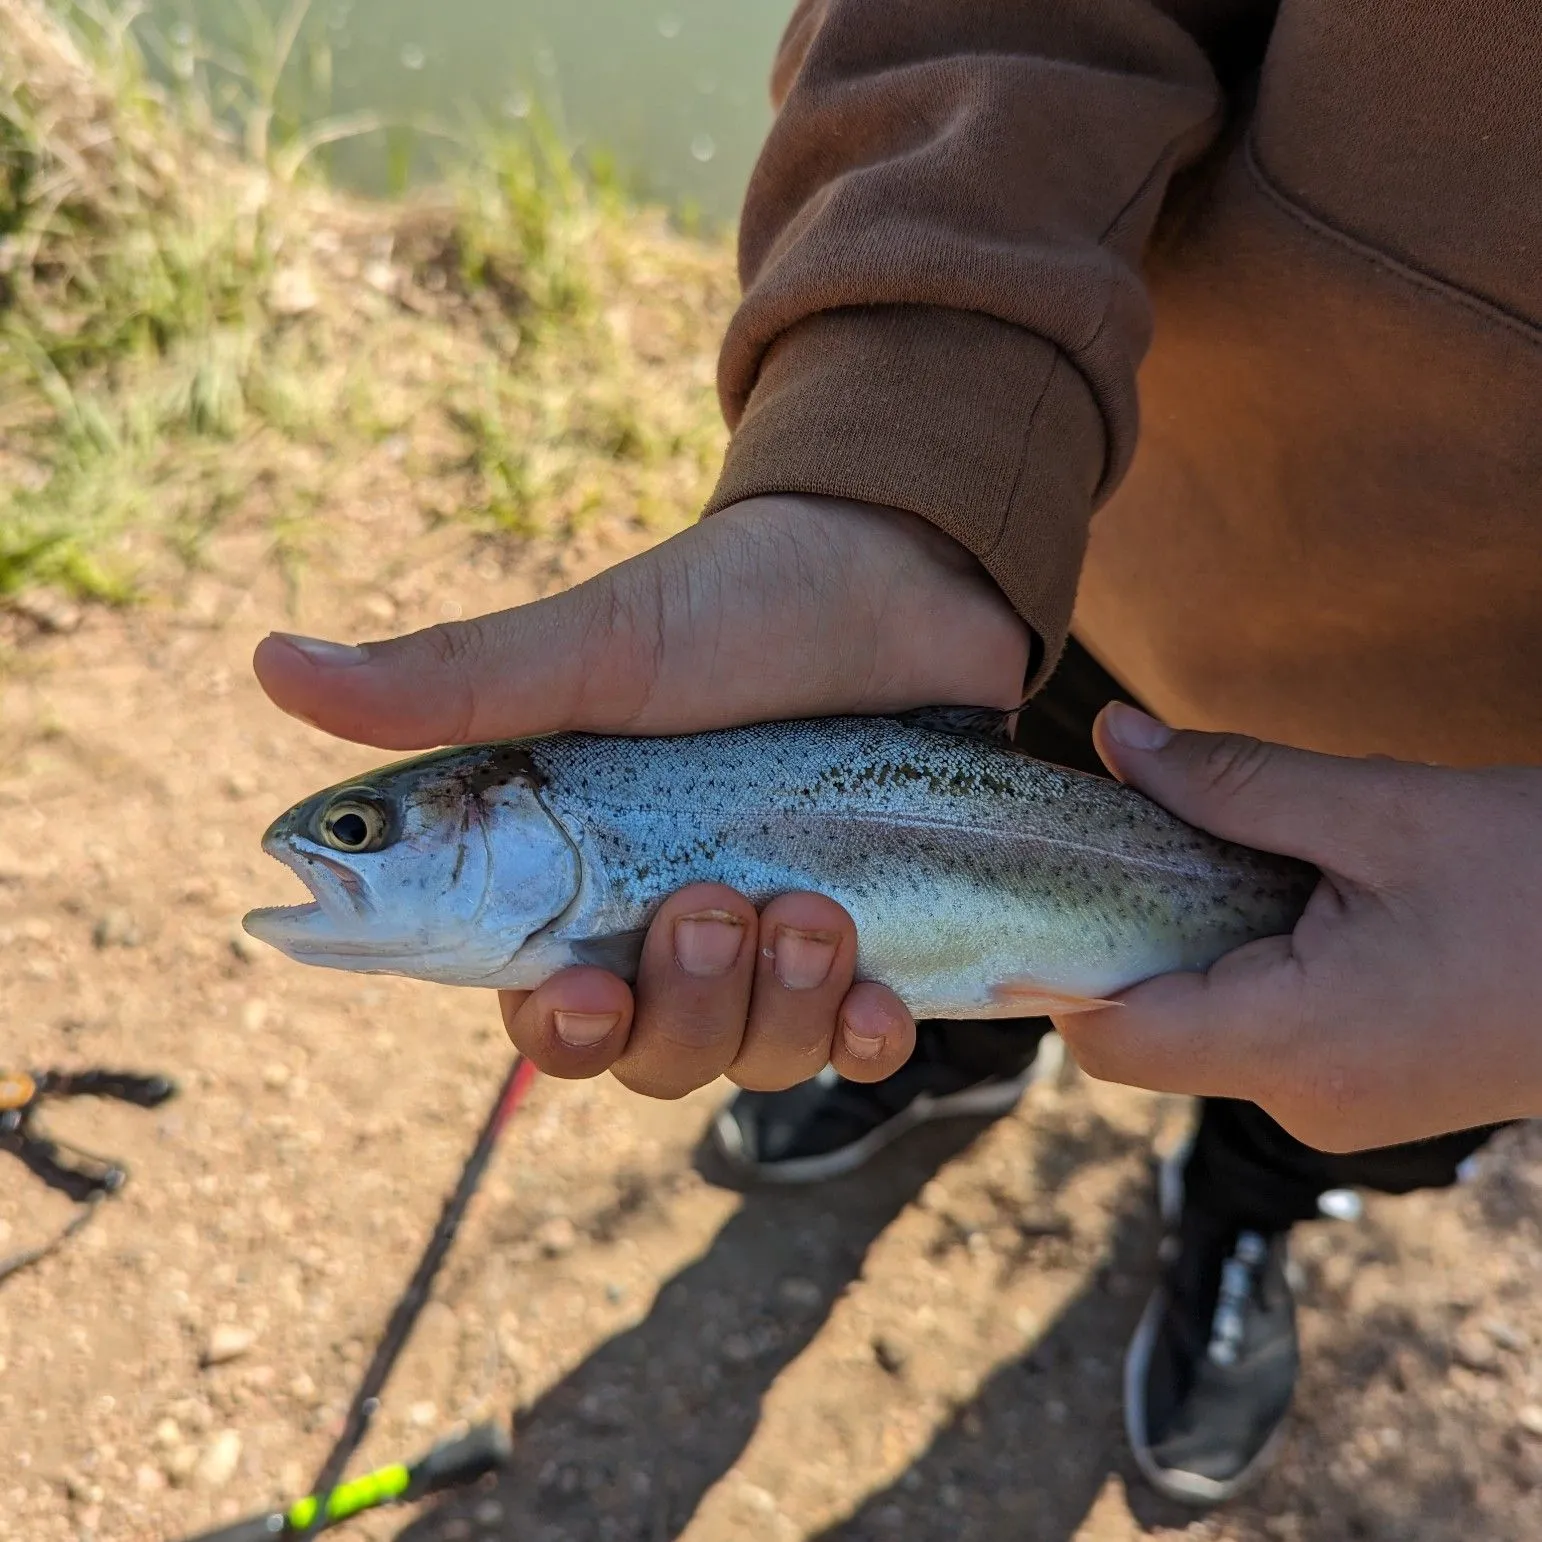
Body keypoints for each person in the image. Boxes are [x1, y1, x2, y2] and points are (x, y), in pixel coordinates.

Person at [254, 0, 1542, 1507]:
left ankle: (1255, 1205)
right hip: (1044, 572)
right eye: (360, 832)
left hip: (1496, 810)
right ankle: (952, 1056)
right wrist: (901, 467)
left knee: (1356, 1081)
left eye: (362, 833)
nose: (329, 849)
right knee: (941, 961)